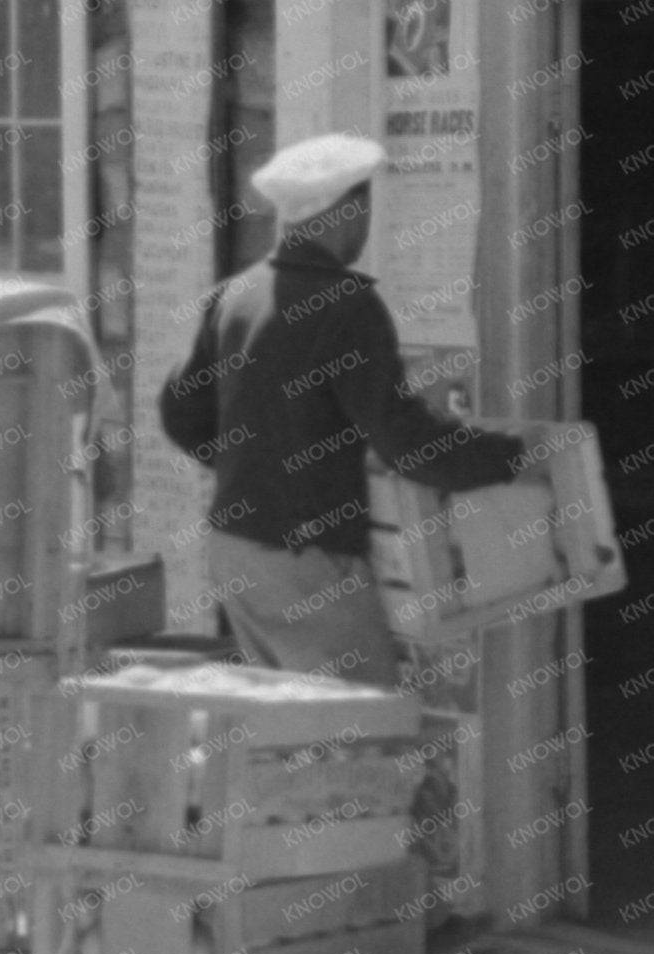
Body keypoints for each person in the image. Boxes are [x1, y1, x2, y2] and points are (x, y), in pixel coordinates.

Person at [156, 134, 532, 691]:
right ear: (348, 209)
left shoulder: (234, 296)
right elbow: (408, 444)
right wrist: (515, 456)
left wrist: (258, 467)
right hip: (305, 560)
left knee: (287, 726)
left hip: (236, 549)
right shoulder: (346, 305)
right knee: (358, 724)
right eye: (366, 207)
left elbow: (181, 415)